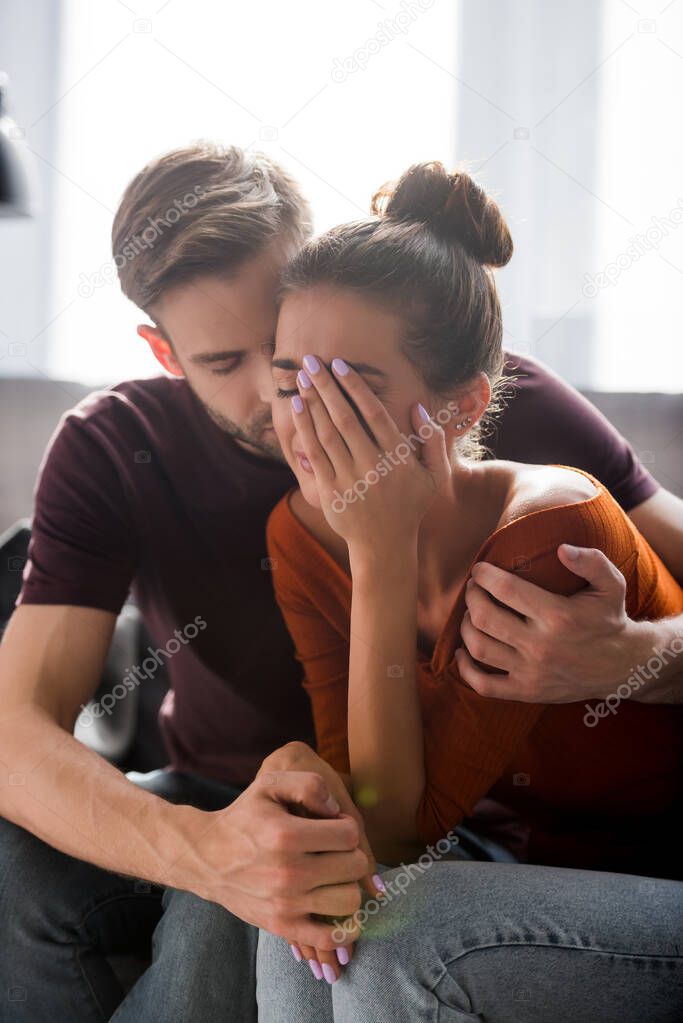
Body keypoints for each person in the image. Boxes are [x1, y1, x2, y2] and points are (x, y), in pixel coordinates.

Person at [0, 143, 681, 1020]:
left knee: (297, 891)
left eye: (290, 344)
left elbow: (394, 820)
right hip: (220, 787)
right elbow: (15, 734)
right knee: (41, 862)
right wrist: (206, 849)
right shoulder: (117, 446)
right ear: (163, 352)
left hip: (427, 811)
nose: (289, 406)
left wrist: (638, 655)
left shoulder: (480, 400)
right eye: (228, 364)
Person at [257, 160, 683, 1019]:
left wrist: (378, 555)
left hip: (652, 876)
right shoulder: (298, 535)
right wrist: (297, 776)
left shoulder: (548, 536)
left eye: (350, 389)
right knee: (290, 904)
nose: (311, 424)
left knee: (401, 928)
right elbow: (353, 805)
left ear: (457, 410)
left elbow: (392, 829)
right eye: (287, 385)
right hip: (515, 863)